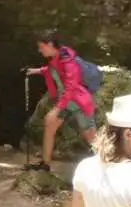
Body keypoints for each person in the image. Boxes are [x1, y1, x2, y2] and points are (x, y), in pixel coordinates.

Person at [24, 30, 98, 172]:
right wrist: (36, 71)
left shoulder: (67, 60)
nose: (39, 50)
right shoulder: (57, 58)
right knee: (50, 123)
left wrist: (56, 109)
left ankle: (109, 164)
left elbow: (71, 87)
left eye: (41, 47)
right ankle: (45, 164)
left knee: (91, 136)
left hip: (78, 102)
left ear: (50, 44)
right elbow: (53, 70)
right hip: (66, 101)